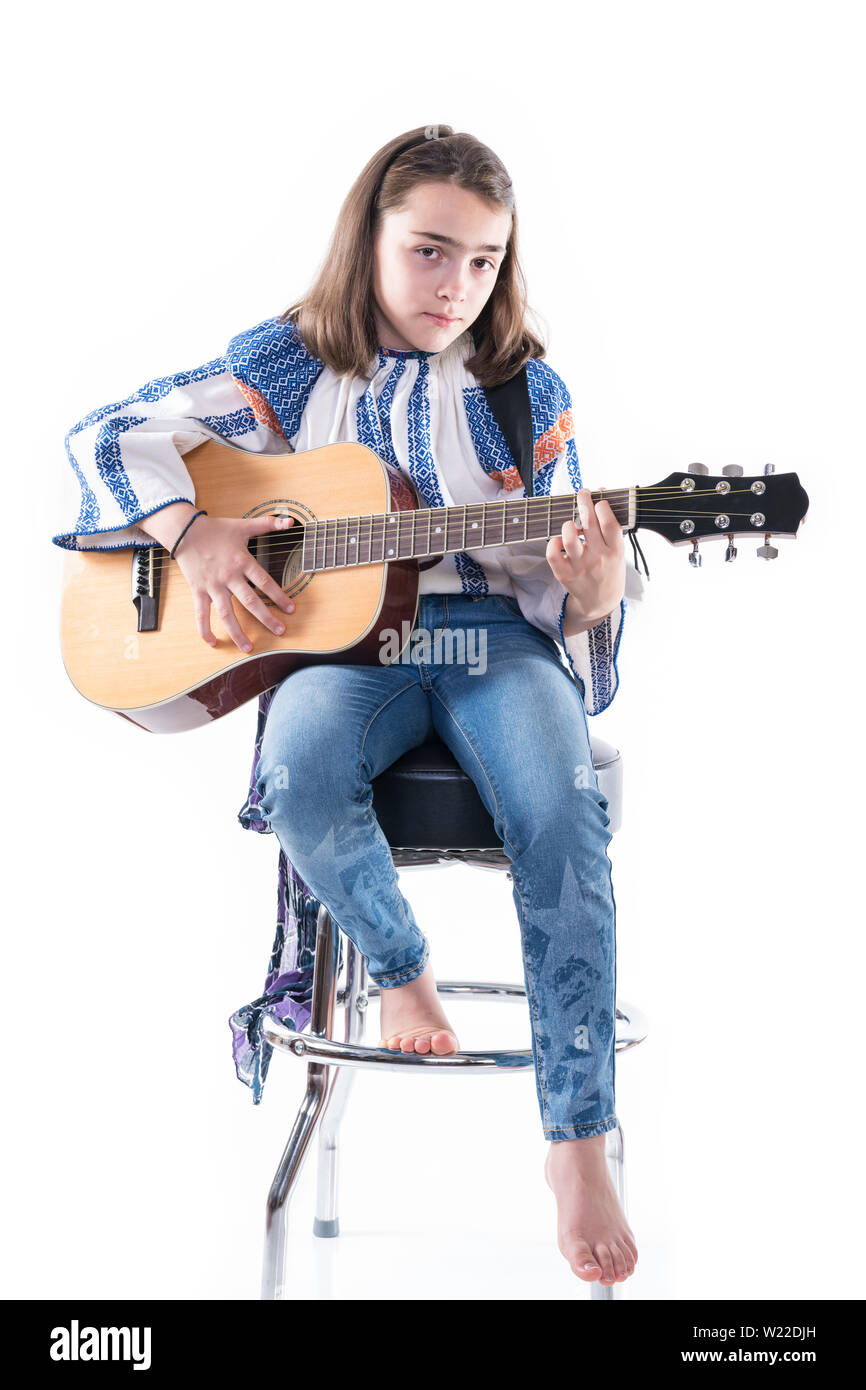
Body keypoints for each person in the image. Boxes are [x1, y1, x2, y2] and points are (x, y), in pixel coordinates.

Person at [53, 124, 642, 1289]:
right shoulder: (283, 367)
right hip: (347, 653)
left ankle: (575, 1136)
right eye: (428, 250)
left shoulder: (524, 390)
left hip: (492, 644)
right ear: (365, 236)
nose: (454, 287)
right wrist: (196, 528)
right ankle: (398, 967)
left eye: (480, 261)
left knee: (560, 820)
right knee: (298, 774)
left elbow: (568, 585)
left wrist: (592, 591)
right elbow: (101, 437)